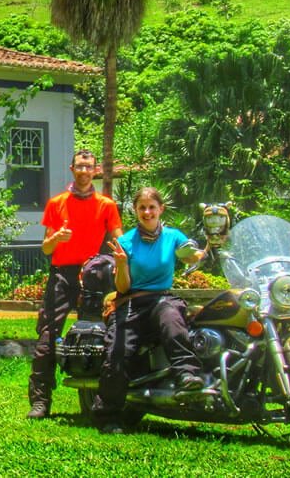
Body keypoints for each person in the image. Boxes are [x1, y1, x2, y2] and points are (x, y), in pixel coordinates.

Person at [90, 186, 205, 434]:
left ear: (160, 209)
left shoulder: (173, 237)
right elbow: (123, 286)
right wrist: (121, 265)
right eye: (142, 207)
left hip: (161, 299)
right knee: (117, 351)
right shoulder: (126, 242)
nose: (147, 212)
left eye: (152, 207)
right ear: (136, 210)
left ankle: (186, 375)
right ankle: (108, 416)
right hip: (131, 300)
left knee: (173, 319)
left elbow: (191, 256)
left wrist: (205, 251)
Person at [27, 149, 123, 419]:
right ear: (72, 169)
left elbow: (120, 239)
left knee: (100, 335)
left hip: (95, 275)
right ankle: (40, 401)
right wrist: (57, 236)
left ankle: (96, 398)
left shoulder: (106, 205)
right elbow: (46, 248)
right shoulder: (57, 203)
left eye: (88, 167)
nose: (83, 171)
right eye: (79, 167)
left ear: (95, 171)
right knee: (47, 336)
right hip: (62, 275)